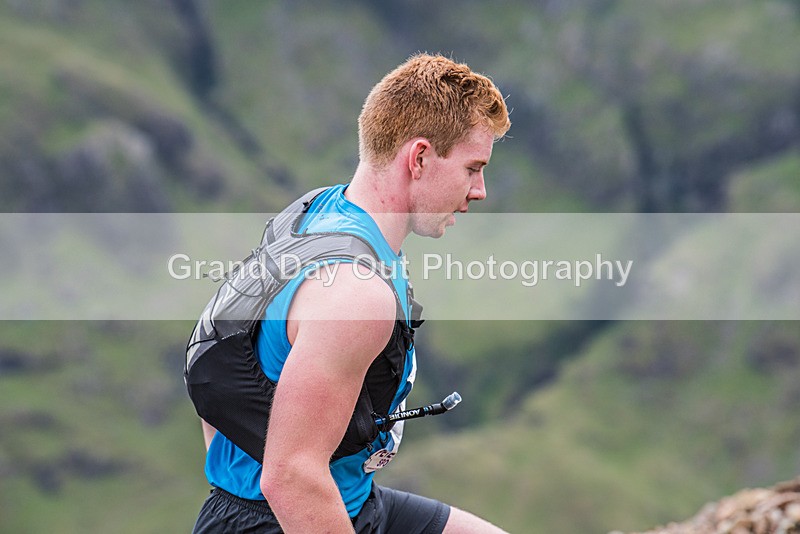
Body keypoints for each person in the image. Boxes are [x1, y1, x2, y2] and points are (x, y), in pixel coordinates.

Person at [191, 53, 511, 533]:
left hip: (348, 499)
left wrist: (235, 478)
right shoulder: (356, 295)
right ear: (419, 158)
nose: (480, 189)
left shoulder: (315, 213)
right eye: (472, 167)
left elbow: (224, 354)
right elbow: (290, 478)